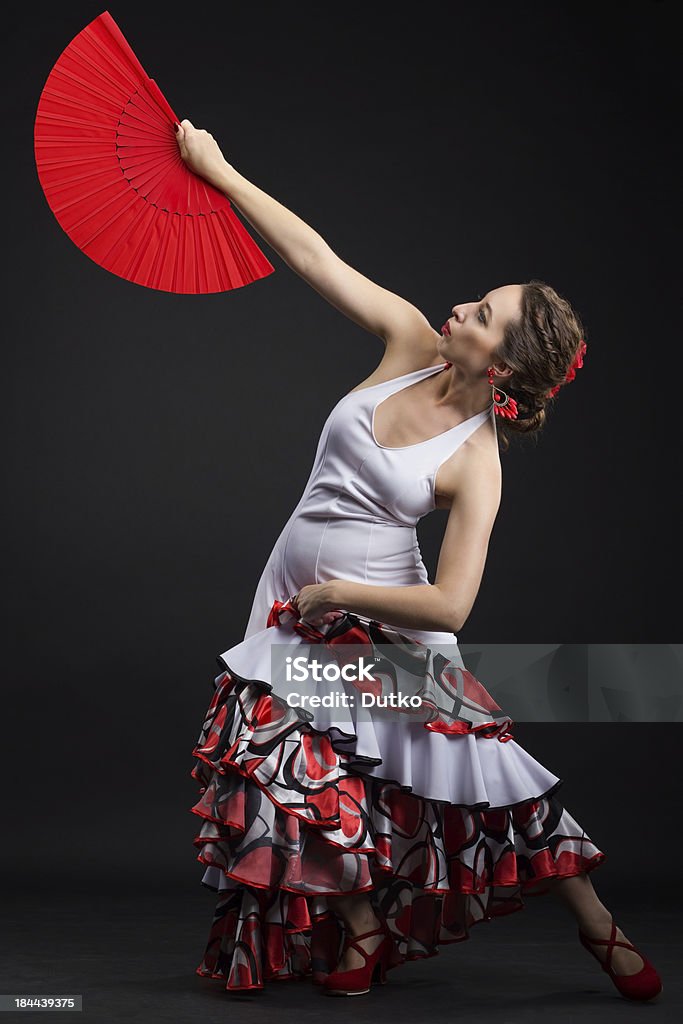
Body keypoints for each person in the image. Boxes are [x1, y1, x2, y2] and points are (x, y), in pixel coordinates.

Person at [178, 119, 663, 1001]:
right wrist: (220, 174)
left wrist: (336, 591)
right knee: (282, 769)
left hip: (379, 619)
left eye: (481, 316)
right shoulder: (406, 343)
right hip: (294, 597)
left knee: (483, 776)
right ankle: (361, 929)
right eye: (474, 300)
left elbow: (450, 607)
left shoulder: (477, 461)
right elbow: (313, 256)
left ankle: (598, 926)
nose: (458, 310)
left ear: (506, 370)